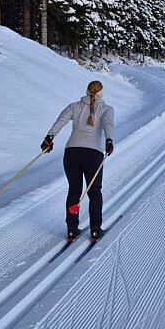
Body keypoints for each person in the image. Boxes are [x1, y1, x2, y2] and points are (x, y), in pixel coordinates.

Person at [41, 80, 114, 241]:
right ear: (101, 93)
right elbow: (108, 124)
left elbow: (61, 120)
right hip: (93, 154)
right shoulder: (107, 109)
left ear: (87, 91)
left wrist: (49, 138)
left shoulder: (74, 106)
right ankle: (95, 229)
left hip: (71, 153)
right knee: (94, 192)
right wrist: (109, 140)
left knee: (74, 191)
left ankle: (72, 230)